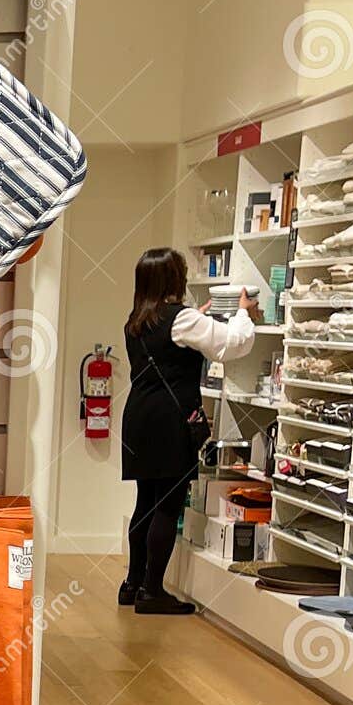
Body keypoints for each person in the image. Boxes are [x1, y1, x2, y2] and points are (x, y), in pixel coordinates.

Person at [120, 247, 259, 615]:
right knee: (168, 503)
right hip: (170, 419)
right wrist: (243, 314)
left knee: (145, 502)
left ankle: (132, 584)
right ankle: (153, 591)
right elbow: (232, 345)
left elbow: (171, 344)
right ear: (174, 279)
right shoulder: (181, 319)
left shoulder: (136, 320)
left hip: (139, 416)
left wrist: (196, 320)